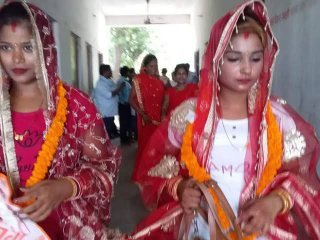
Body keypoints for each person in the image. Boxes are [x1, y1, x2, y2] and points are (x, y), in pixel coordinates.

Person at [129, 1, 320, 239]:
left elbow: (304, 180)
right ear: (216, 60)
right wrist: (179, 188)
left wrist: (275, 202)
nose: (246, 69)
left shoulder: (278, 119)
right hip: (202, 229)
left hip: (259, 232)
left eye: (255, 58)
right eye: (234, 58)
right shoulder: (189, 117)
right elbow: (153, 169)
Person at [0, 1, 121, 239]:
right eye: (5, 47)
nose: (15, 58)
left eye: (27, 47)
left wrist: (64, 187)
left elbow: (106, 167)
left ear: (45, 46)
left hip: (66, 228)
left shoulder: (77, 106)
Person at [129, 54, 165, 182]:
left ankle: (155, 173)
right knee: (146, 147)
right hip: (146, 120)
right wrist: (142, 113)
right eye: (151, 66)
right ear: (145, 67)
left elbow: (164, 102)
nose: (154, 68)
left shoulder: (160, 82)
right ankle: (145, 175)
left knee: (157, 148)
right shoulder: (138, 80)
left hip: (158, 120)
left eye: (156, 65)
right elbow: (131, 100)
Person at [93, 64, 124, 139]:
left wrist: (118, 88)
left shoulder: (109, 81)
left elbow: (115, 89)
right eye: (110, 70)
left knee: (109, 131)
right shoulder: (100, 84)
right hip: (105, 113)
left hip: (110, 112)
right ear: (105, 72)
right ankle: (106, 149)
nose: (111, 72)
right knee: (106, 133)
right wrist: (120, 88)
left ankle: (108, 147)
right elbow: (109, 95)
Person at [117, 66, 132, 144]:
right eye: (129, 72)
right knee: (124, 122)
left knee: (124, 122)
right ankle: (124, 139)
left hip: (123, 104)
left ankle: (124, 138)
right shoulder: (123, 81)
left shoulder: (121, 80)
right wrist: (125, 101)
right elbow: (123, 93)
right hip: (124, 104)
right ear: (126, 73)